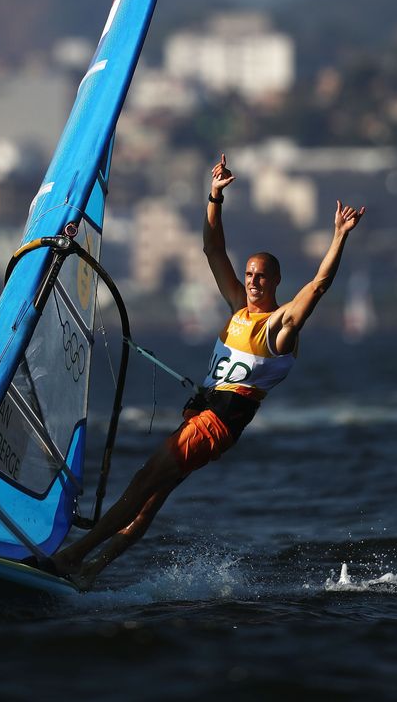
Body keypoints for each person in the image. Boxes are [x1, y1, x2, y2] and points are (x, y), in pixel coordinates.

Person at [51, 153, 365, 586]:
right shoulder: (237, 308)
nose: (252, 281)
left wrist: (338, 237)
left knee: (143, 480)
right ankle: (90, 571)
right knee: (150, 501)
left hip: (217, 422)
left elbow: (320, 285)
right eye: (250, 274)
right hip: (201, 414)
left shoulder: (279, 328)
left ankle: (73, 556)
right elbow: (212, 249)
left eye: (261, 276)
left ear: (274, 282)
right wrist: (215, 196)